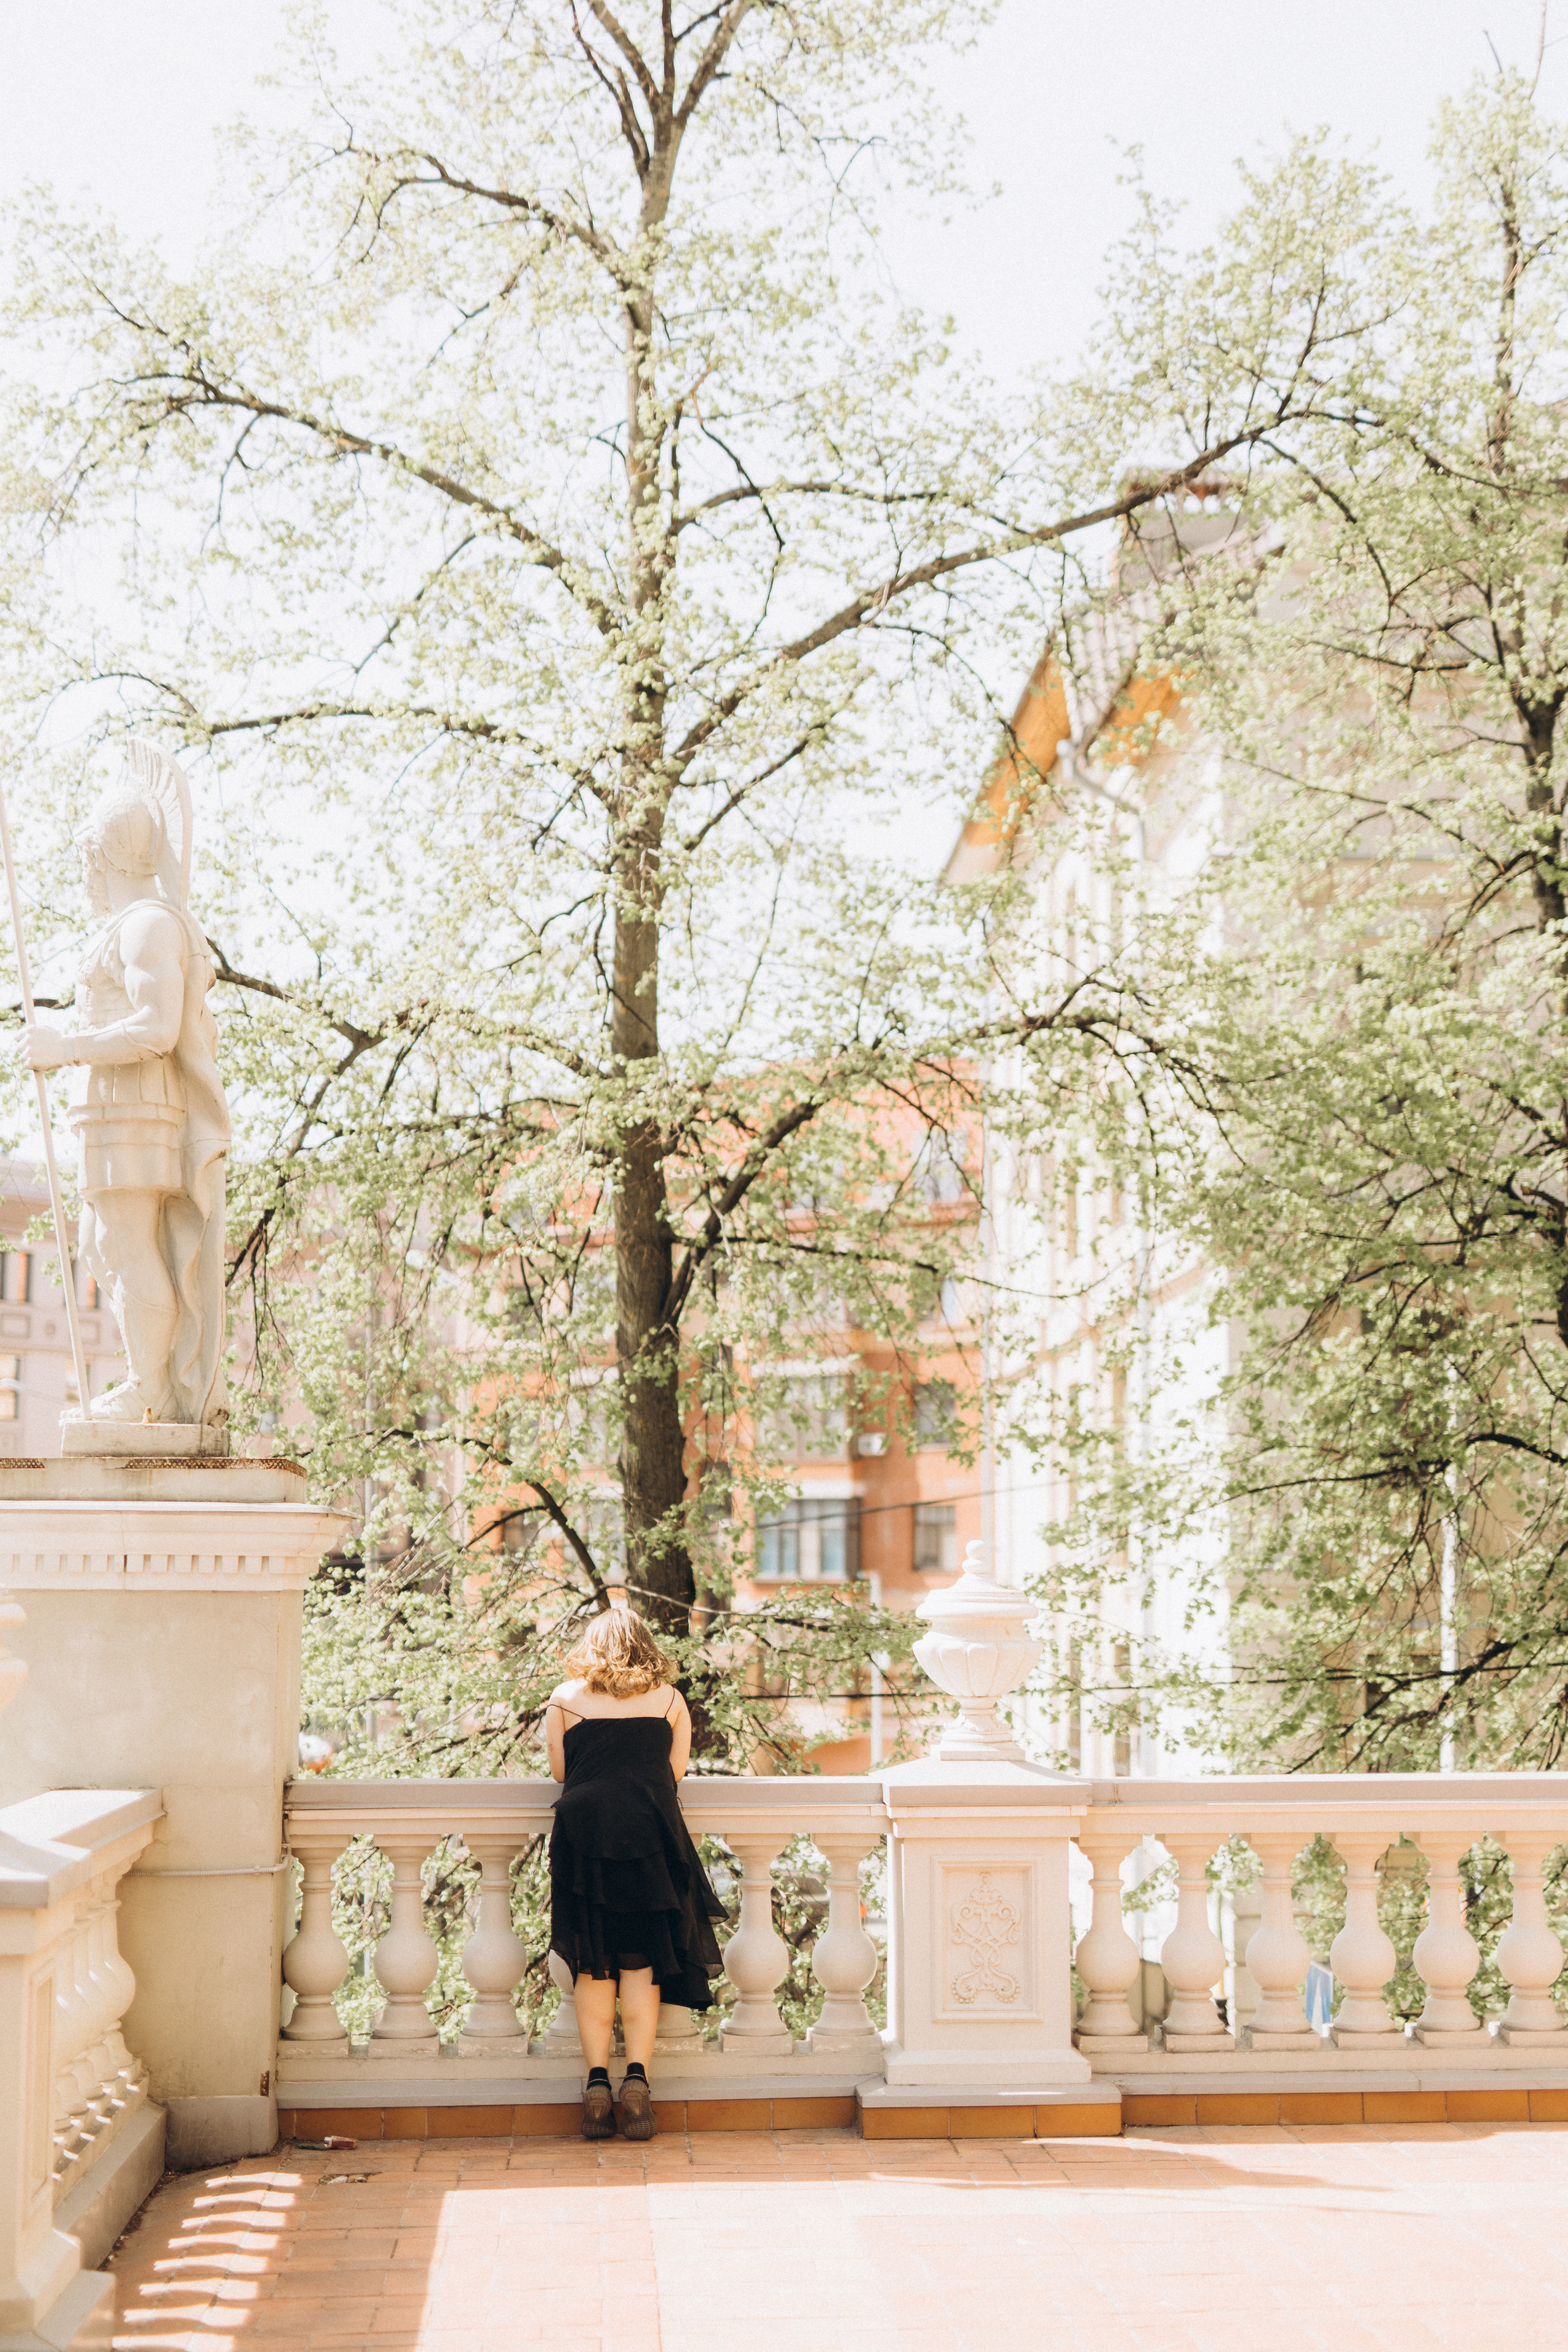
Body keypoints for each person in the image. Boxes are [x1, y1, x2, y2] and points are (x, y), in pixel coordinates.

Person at [544, 1605, 725, 2141]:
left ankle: (597, 2088)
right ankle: (638, 2083)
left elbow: (560, 1772)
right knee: (641, 1963)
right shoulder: (670, 1700)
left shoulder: (564, 1699)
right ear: (646, 1645)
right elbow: (674, 1774)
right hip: (649, 1838)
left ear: (592, 1647)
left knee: (593, 1963)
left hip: (585, 1839)